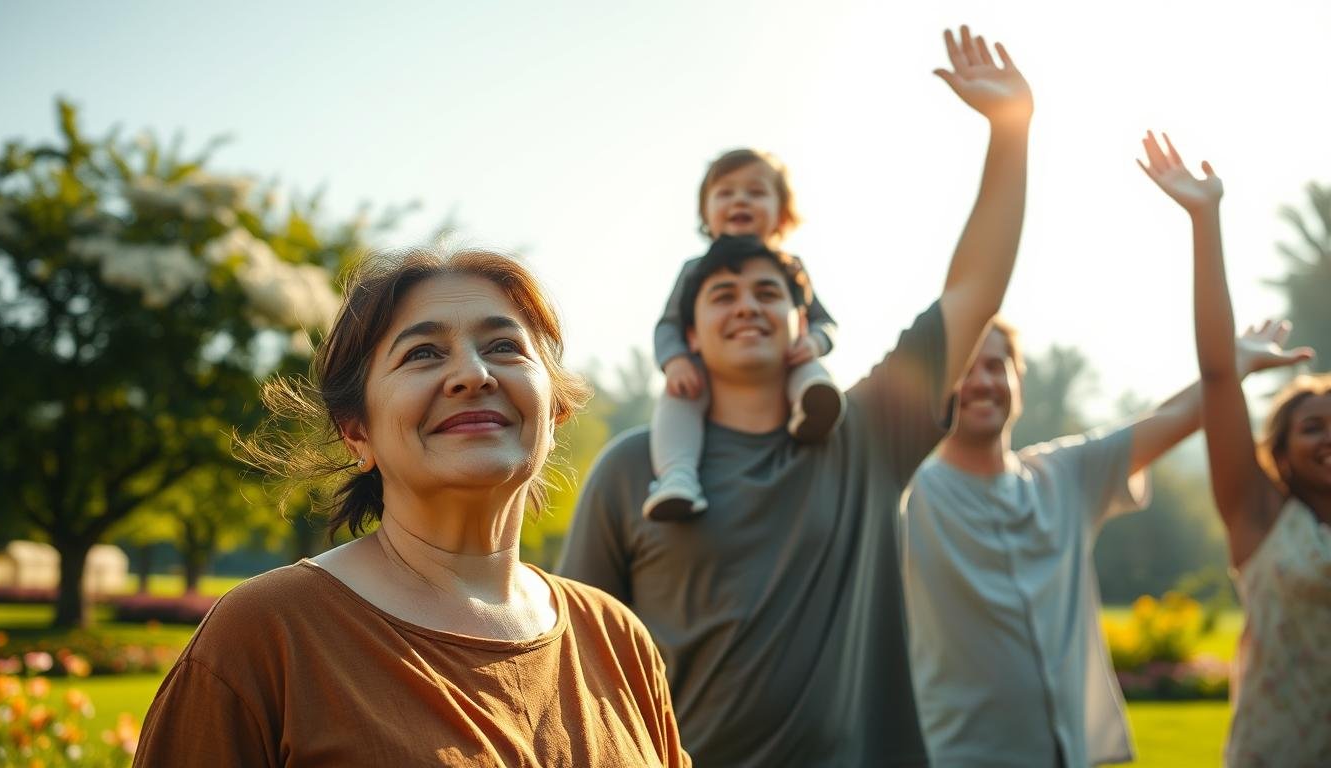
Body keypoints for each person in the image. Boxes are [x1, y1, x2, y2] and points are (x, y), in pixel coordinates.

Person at [559, 25, 1034, 766]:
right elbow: (572, 663)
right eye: (722, 294)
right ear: (689, 332)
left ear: (799, 322)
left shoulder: (866, 439)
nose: (746, 304)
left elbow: (972, 292)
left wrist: (1010, 132)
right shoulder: (632, 470)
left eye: (766, 292)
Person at [133, 248, 690, 767]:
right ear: (357, 431)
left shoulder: (616, 637)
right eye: (422, 353)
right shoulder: (266, 634)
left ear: (554, 411)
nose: (473, 375)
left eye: (504, 346)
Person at [902, 315, 1305, 767]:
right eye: (963, 369)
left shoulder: (1063, 475)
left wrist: (1233, 364)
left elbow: (1166, 419)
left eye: (996, 366)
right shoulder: (908, 496)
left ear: (1019, 381)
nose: (981, 382)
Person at [1138, 130, 1330, 767]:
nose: (1330, 436)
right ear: (1282, 451)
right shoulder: (1260, 517)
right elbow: (1219, 375)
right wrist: (1205, 217)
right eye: (1313, 427)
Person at [645, 148, 843, 520]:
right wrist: (675, 361)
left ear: (781, 213)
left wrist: (814, 342)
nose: (740, 200)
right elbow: (668, 324)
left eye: (755, 192)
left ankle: (814, 405)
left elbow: (825, 322)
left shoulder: (790, 267)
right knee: (679, 397)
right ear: (706, 214)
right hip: (707, 370)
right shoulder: (696, 270)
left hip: (785, 360)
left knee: (808, 367)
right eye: (726, 192)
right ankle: (677, 476)